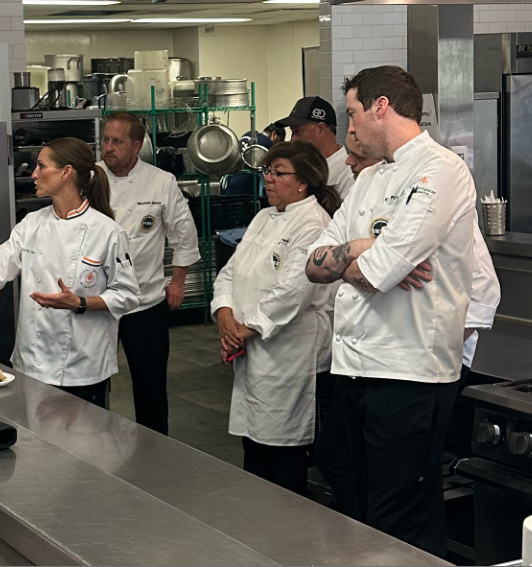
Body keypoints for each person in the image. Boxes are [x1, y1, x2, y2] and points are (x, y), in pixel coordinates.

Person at [305, 65, 476, 557]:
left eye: (353, 114)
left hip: (410, 373)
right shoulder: (369, 178)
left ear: (382, 107)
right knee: (363, 514)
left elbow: (382, 267)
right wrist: (364, 247)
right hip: (355, 370)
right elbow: (313, 264)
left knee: (401, 520)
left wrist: (358, 255)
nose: (348, 129)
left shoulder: (439, 170)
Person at [315, 129, 501, 522]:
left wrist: (437, 340)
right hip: (367, 360)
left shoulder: (434, 199)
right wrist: (366, 260)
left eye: (356, 156)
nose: (348, 163)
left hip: (419, 366)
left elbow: (484, 292)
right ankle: (361, 533)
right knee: (350, 465)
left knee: (402, 496)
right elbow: (319, 264)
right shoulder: (367, 191)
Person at [0, 138, 139, 407]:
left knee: (83, 443)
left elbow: (127, 295)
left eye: (41, 166)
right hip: (31, 362)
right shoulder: (32, 224)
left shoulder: (107, 232)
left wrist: (80, 303)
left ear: (66, 173)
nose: (34, 174)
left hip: (82, 368)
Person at [211, 141, 341, 495]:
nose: (268, 179)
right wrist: (225, 317)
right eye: (267, 171)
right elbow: (229, 273)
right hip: (251, 347)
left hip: (290, 353)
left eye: (278, 173)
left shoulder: (315, 224)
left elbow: (292, 293)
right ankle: (256, 519)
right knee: (253, 444)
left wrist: (242, 330)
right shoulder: (264, 217)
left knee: (283, 448)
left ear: (303, 183)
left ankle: (286, 530)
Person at [99, 112, 200, 434]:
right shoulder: (89, 178)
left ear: (136, 146)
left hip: (145, 299)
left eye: (117, 141)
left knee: (151, 384)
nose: (108, 148)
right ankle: (90, 445)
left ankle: (156, 451)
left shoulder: (161, 181)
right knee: (93, 380)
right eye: (105, 140)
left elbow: (184, 235)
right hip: (96, 302)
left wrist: (178, 282)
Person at [275, 96, 355, 198]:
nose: (293, 139)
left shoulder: (349, 174)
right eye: (292, 132)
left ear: (321, 129)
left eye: (297, 131)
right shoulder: (299, 168)